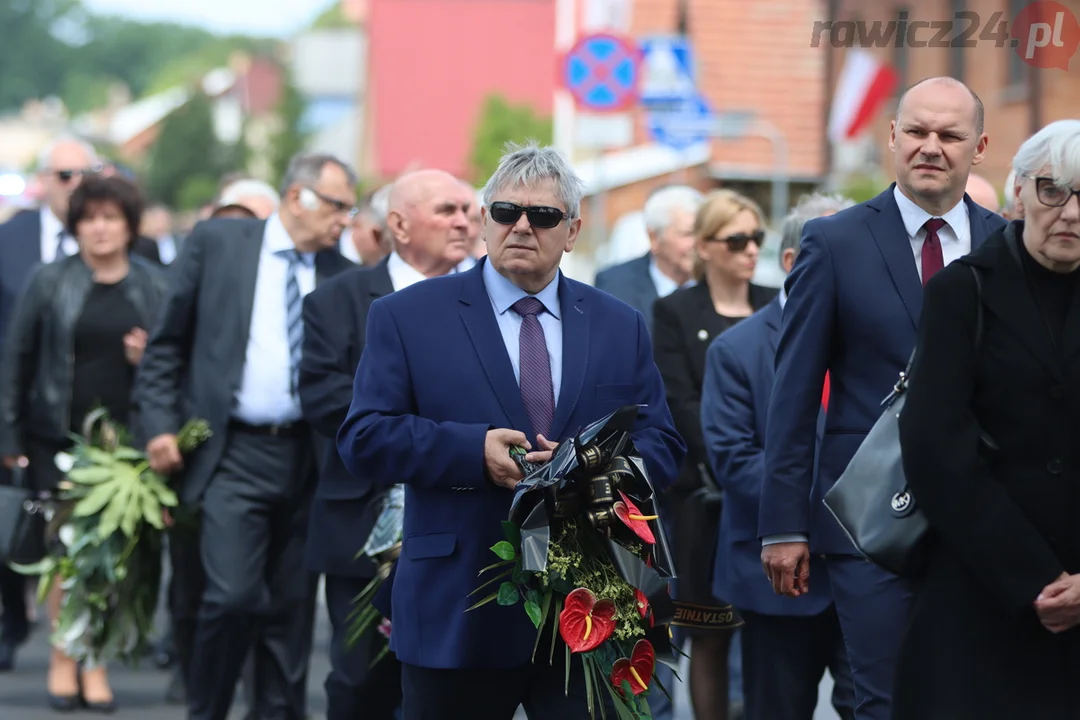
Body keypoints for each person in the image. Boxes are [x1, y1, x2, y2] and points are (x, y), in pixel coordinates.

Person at [336, 142, 685, 720]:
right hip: (458, 600)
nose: (521, 226)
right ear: (484, 220)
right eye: (505, 212)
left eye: (543, 216)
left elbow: (663, 445)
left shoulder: (619, 325)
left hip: (586, 610)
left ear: (571, 231)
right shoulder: (407, 316)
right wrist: (471, 451)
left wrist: (589, 468)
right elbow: (364, 437)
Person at [759, 76, 1005, 720]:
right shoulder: (834, 242)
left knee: (972, 698)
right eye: (917, 132)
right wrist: (783, 524)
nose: (931, 147)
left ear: (978, 147)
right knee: (883, 700)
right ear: (892, 137)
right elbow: (792, 394)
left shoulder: (1007, 245)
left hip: (986, 516)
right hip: (868, 518)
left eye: (950, 135)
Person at [134, 152, 357, 720]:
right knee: (231, 596)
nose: (344, 221)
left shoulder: (343, 272)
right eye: (337, 206)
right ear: (296, 197)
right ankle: (206, 707)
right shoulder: (220, 244)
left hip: (309, 457)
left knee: (290, 611)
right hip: (232, 450)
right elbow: (167, 345)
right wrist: (159, 424)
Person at [895, 119, 1080, 719]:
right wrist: (1032, 576)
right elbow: (935, 449)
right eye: (1054, 190)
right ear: (1020, 191)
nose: (1070, 213)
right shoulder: (962, 291)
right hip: (981, 588)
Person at [300, 168, 473, 720]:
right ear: (398, 224)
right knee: (360, 680)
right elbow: (327, 400)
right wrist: (432, 429)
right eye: (448, 210)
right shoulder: (337, 299)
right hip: (364, 519)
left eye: (470, 210)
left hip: (468, 519)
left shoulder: (492, 298)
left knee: (456, 683)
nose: (465, 222)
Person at [0, 174, 167, 712]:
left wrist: (147, 362)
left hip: (126, 448)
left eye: (111, 218)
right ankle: (65, 656)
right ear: (75, 226)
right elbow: (18, 360)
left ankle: (95, 658)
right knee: (66, 557)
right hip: (59, 440)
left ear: (129, 226)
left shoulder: (152, 285)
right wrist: (10, 433)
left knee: (114, 558)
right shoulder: (49, 281)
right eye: (90, 218)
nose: (100, 228)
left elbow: (172, 367)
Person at [701, 192, 856, 720]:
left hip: (865, 569)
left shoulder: (877, 341)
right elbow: (733, 461)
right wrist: (839, 499)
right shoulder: (736, 350)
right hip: (777, 577)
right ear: (792, 262)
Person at [652, 188, 776, 720]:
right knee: (708, 632)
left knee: (773, 637)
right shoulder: (675, 311)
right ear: (704, 246)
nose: (750, 250)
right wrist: (736, 459)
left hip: (774, 494)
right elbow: (680, 402)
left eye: (758, 239)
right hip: (706, 499)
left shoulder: (778, 301)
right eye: (737, 239)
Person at [0, 134, 100, 672]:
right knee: (17, 526)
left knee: (73, 541)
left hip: (92, 420)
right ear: (43, 183)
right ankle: (12, 617)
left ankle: (83, 654)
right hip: (25, 416)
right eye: (65, 176)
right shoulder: (9, 240)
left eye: (86, 174)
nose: (76, 186)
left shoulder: (114, 242)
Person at [594, 185, 703, 335]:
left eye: (703, 233)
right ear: (654, 238)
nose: (698, 244)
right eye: (687, 234)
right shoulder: (615, 286)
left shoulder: (719, 283)